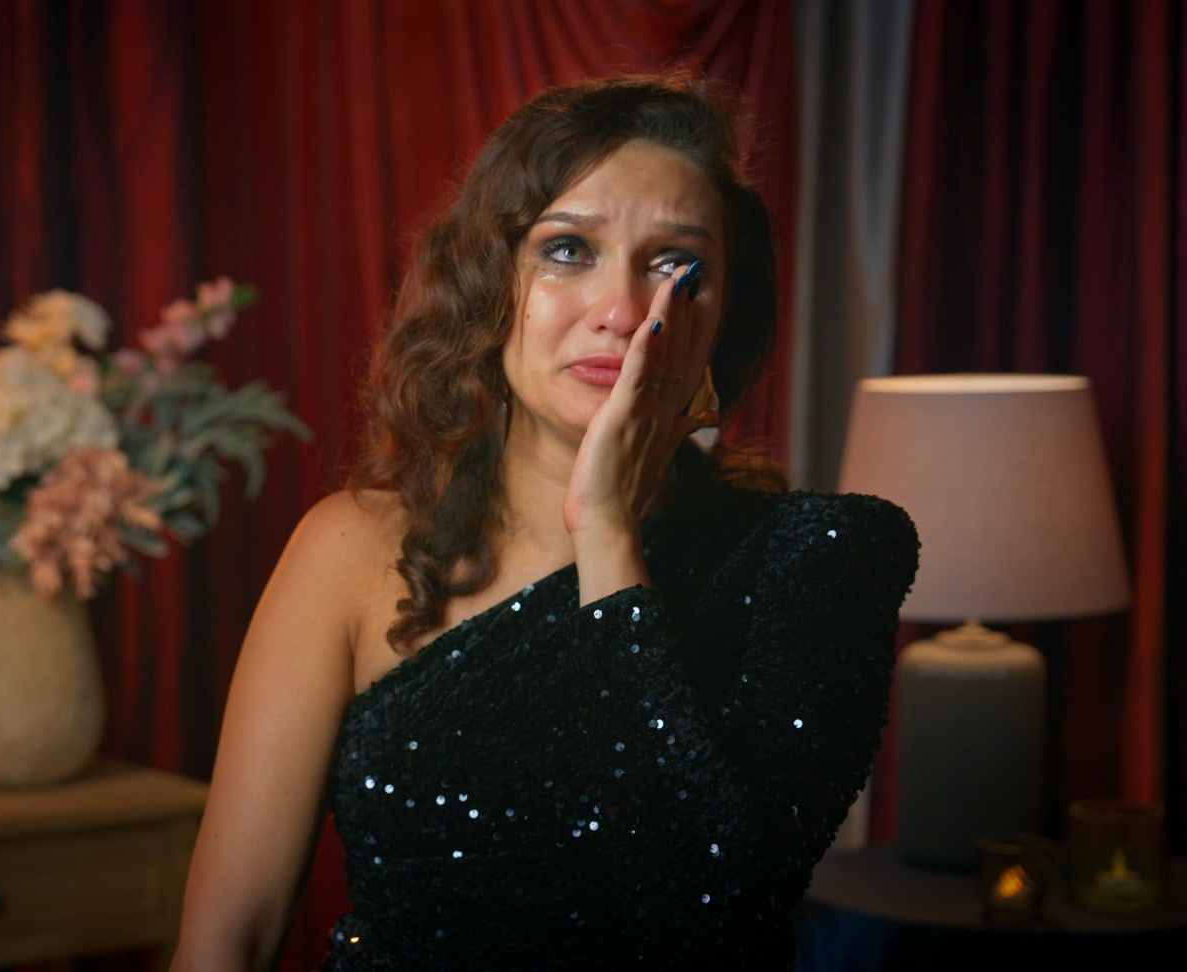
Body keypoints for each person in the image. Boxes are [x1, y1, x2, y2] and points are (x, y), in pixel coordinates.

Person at [170, 75, 920, 971]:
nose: (623, 312)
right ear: (492, 285)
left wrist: (606, 531)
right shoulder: (351, 549)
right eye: (567, 250)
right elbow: (228, 936)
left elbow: (708, 910)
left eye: (675, 266)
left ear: (726, 314)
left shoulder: (822, 558)